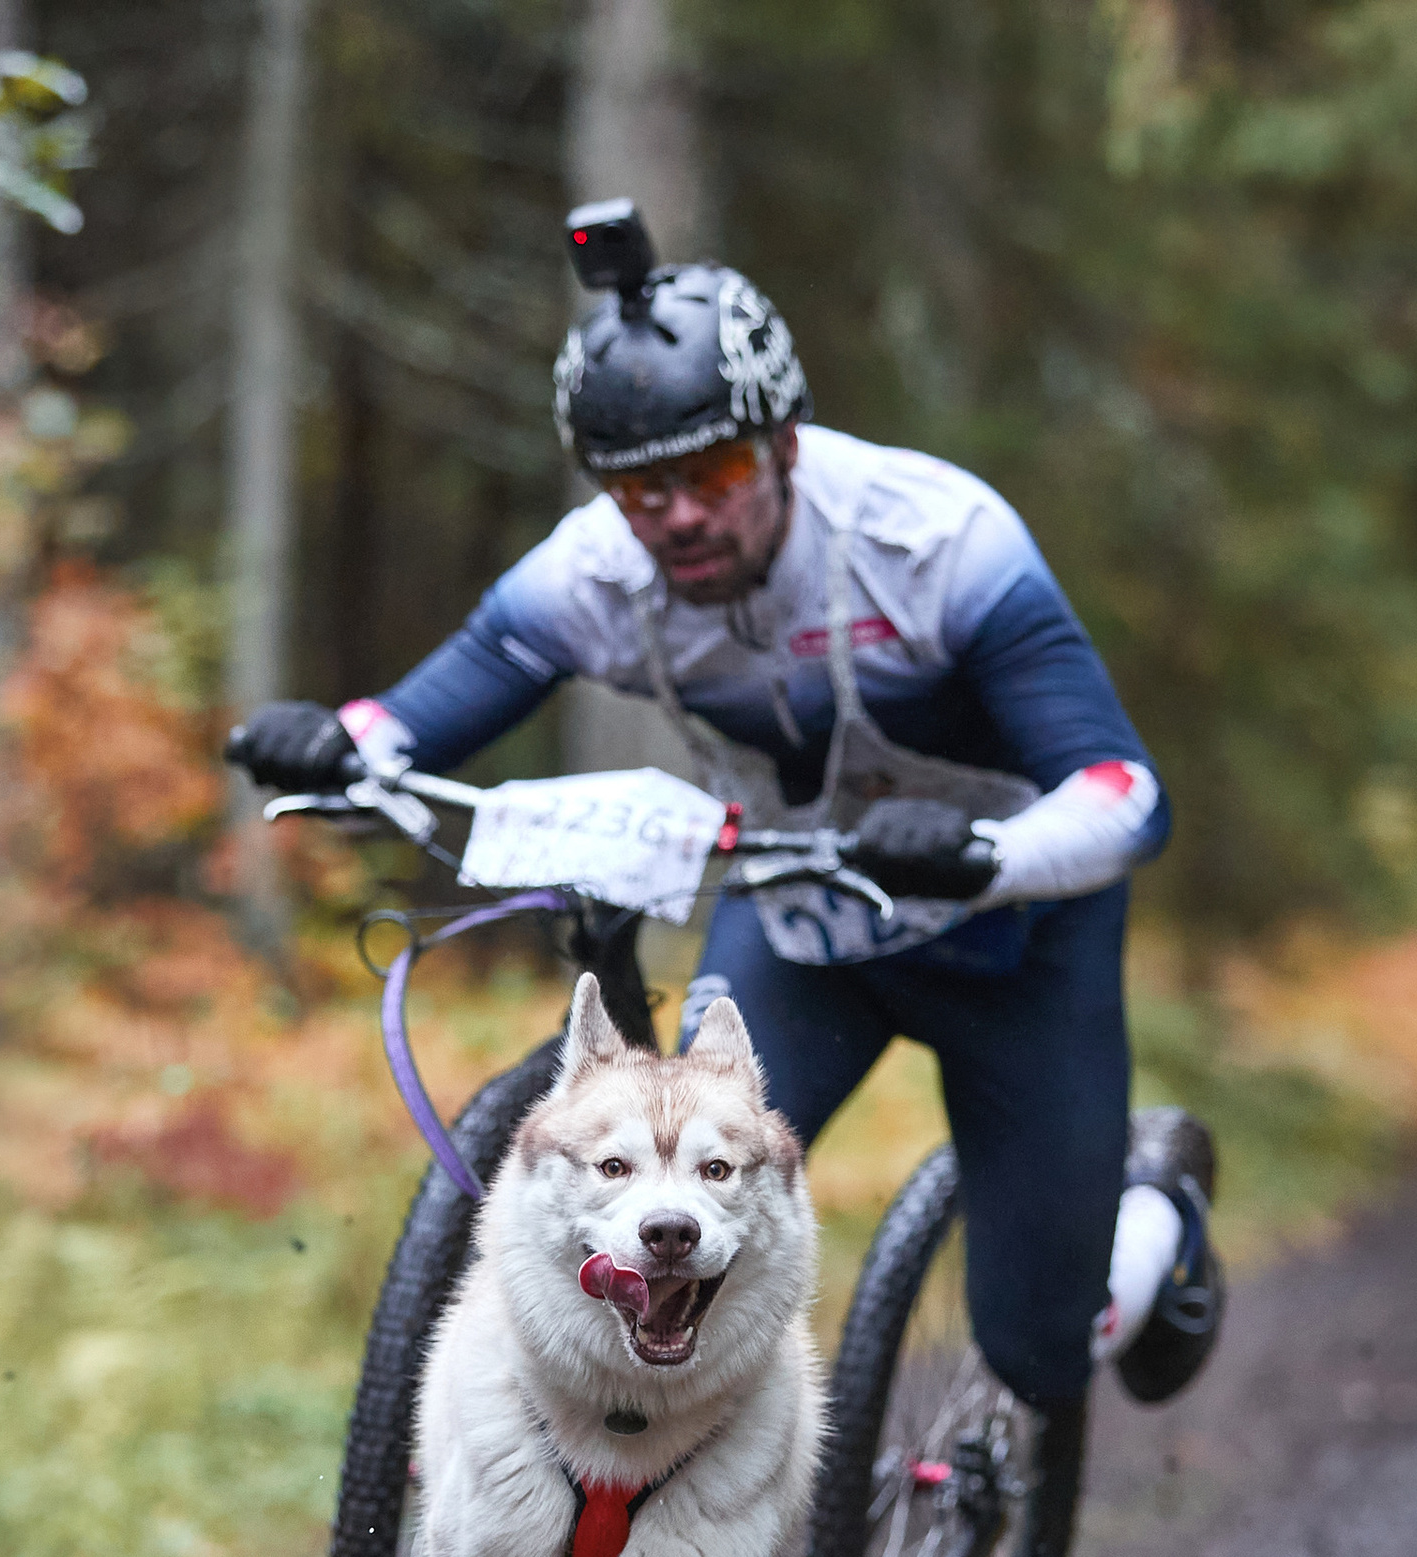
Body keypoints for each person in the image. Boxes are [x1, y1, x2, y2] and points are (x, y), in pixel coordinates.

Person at [230, 200, 1221, 1426]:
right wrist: (344, 746)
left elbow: (1126, 796)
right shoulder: (596, 567)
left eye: (712, 475)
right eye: (639, 490)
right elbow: (424, 713)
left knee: (1040, 1346)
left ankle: (1154, 1212)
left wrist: (986, 854)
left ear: (784, 445)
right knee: (668, 1206)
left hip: (1011, 931)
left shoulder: (938, 541)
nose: (678, 517)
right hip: (803, 919)